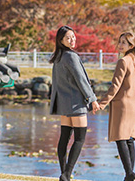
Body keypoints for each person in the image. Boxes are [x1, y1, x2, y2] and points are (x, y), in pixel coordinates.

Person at [50, 25, 100, 181]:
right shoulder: (71, 56)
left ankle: (64, 173)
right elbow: (82, 81)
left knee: (64, 137)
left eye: (73, 36)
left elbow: (56, 83)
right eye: (68, 38)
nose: (72, 40)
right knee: (79, 138)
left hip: (64, 104)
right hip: (76, 104)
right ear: (61, 40)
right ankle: (66, 174)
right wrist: (92, 99)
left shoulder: (58, 56)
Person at [99, 32, 135, 181]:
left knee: (121, 139)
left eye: (124, 43)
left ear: (131, 45)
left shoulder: (123, 61)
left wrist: (102, 104)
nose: (120, 45)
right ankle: (130, 175)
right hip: (134, 106)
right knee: (129, 140)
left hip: (123, 106)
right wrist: (133, 95)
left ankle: (129, 174)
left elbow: (115, 86)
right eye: (119, 42)